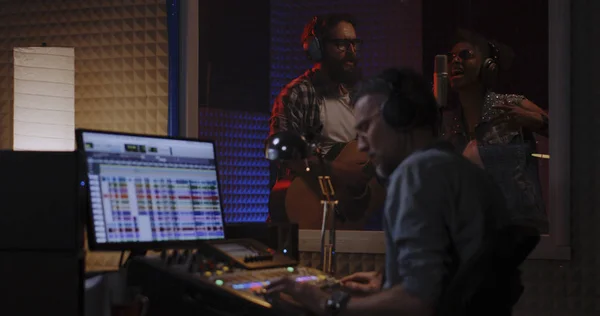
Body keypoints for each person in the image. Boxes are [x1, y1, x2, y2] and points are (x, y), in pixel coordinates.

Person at [265, 68, 514, 316]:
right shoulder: (455, 169)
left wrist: (324, 303)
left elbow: (418, 302)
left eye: (366, 128)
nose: (361, 144)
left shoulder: (416, 173)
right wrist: (389, 283)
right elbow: (444, 280)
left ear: (400, 117)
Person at [267, 13, 378, 226]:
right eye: (341, 45)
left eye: (354, 44)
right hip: (305, 216)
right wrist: (339, 171)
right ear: (317, 49)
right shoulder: (298, 94)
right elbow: (280, 151)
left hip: (346, 220)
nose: (351, 53)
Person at [440, 29, 548, 233]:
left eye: (465, 55)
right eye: (451, 57)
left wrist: (535, 120)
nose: (455, 61)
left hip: (522, 231)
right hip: (476, 232)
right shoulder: (448, 123)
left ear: (488, 66)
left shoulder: (511, 104)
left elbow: (566, 132)